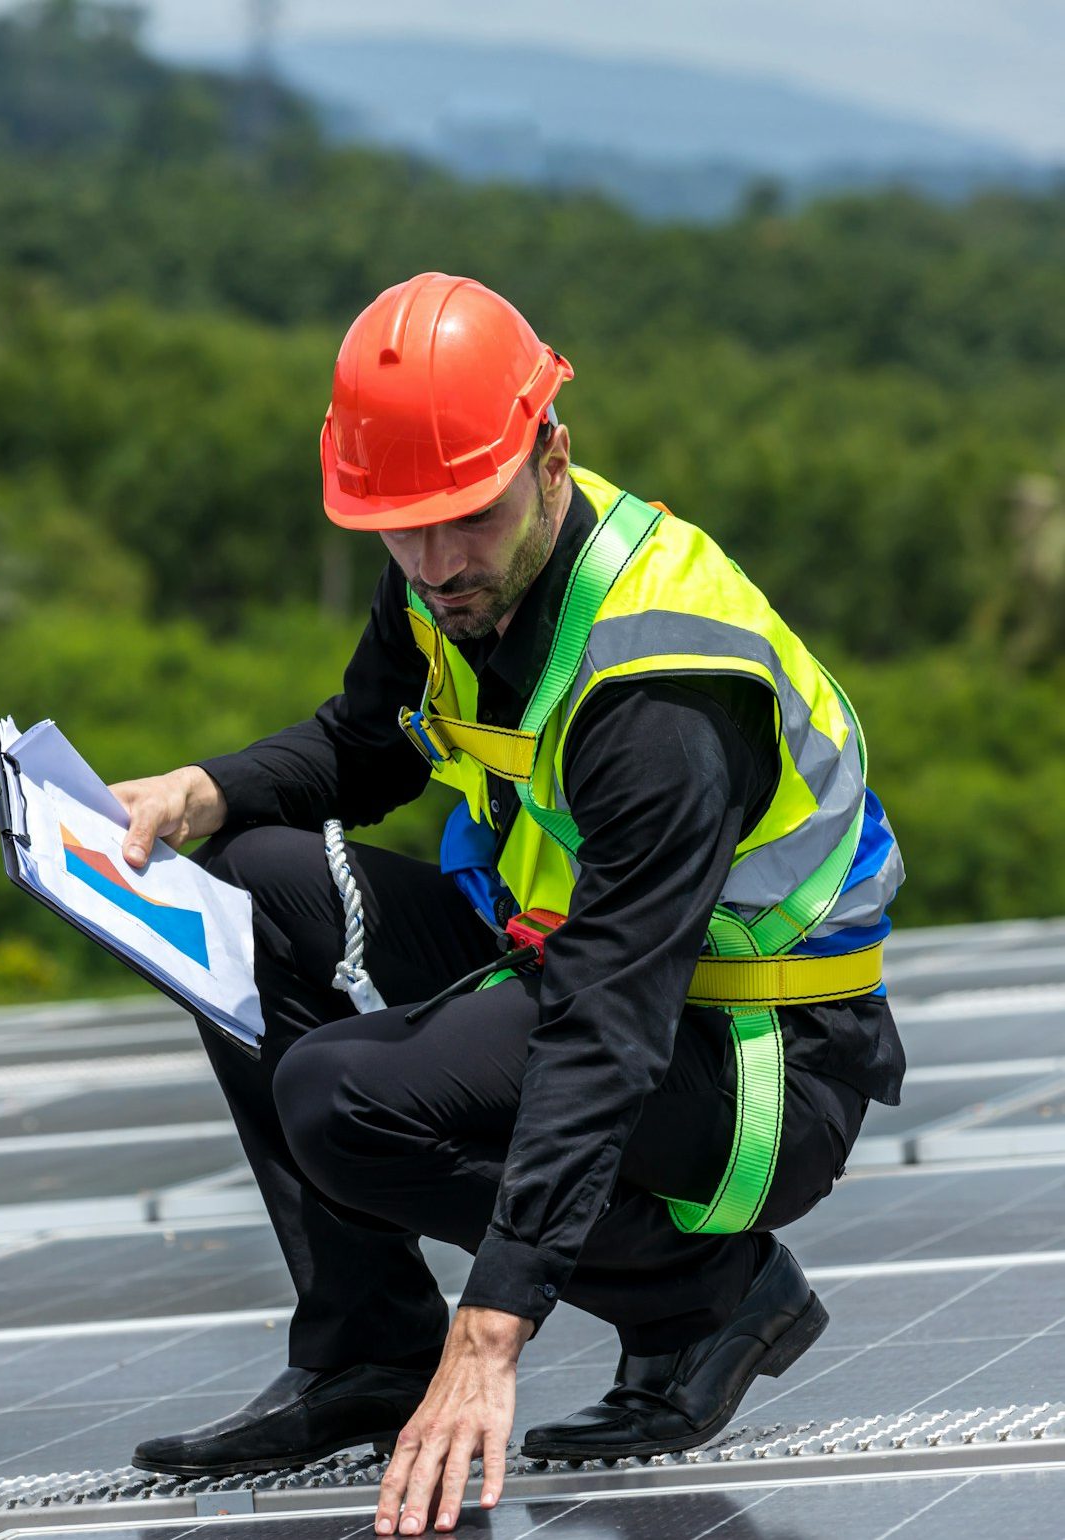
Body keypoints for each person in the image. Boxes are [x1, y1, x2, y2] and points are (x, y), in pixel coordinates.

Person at [112, 272, 906, 1536]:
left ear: (551, 455)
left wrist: (492, 1331)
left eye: (464, 522)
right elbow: (368, 744)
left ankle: (708, 1292)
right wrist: (202, 792)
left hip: (748, 1059)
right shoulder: (444, 567)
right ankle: (364, 1347)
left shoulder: (659, 688)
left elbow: (606, 1027)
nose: (433, 564)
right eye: (398, 531)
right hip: (575, 968)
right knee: (248, 886)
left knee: (338, 1094)